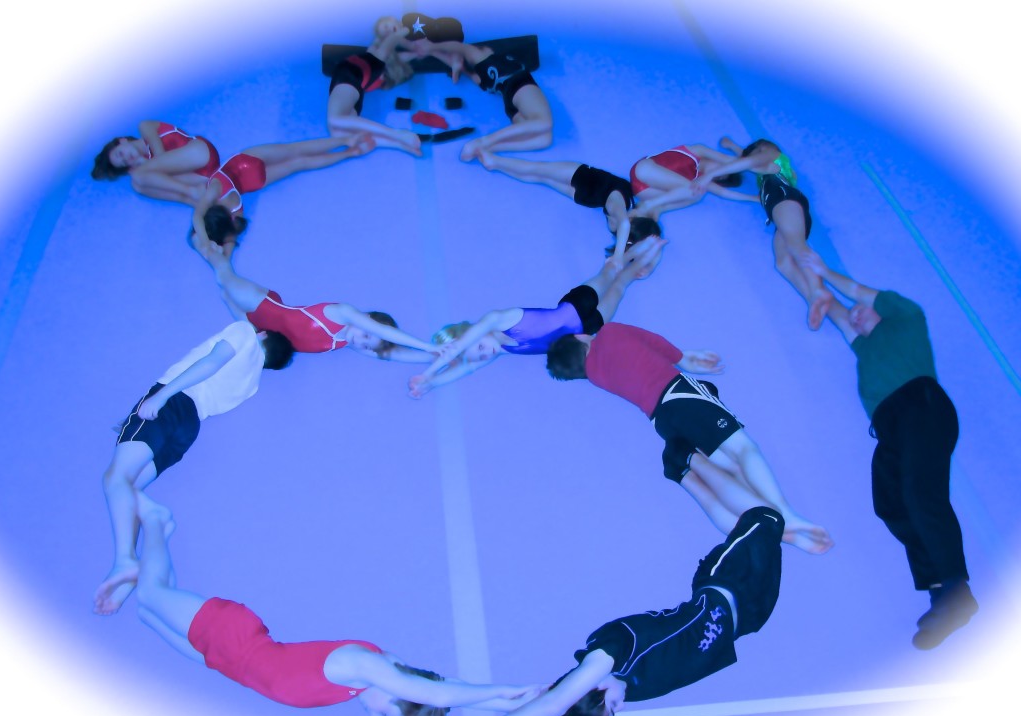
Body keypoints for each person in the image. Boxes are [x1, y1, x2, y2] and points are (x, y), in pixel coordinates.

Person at [105, 491, 541, 716]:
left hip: (226, 663)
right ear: (399, 692)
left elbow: (444, 689)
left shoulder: (365, 681)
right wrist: (504, 691)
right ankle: (157, 522)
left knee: (147, 611)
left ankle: (156, 550)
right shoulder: (363, 666)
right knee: (152, 594)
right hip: (234, 638)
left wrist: (511, 705)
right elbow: (435, 691)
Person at [432, 503, 785, 716]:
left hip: (726, 580)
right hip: (749, 617)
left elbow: (551, 705)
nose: (621, 705)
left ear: (591, 687)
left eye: (612, 705)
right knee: (781, 529)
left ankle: (689, 460)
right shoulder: (622, 687)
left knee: (769, 516)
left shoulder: (611, 652)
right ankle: (686, 467)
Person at [799, 251, 977, 648]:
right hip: (890, 427)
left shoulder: (907, 319)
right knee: (891, 504)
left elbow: (860, 293)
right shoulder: (865, 349)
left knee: (921, 492)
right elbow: (835, 311)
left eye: (862, 310)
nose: (855, 314)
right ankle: (940, 590)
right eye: (854, 315)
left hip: (921, 405)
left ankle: (956, 586)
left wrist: (824, 271)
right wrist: (807, 277)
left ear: (881, 311)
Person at [545, 322, 833, 555]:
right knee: (745, 449)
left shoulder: (596, 377)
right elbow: (653, 341)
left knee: (731, 469)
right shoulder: (608, 333)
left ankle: (782, 531)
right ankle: (786, 515)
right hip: (681, 395)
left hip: (663, 420)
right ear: (579, 337)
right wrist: (684, 359)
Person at [93, 320, 295, 616]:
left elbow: (212, 362)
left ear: (262, 333)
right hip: (188, 427)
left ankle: (125, 559)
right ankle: (129, 572)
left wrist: (161, 396)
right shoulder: (251, 384)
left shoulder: (244, 332)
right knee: (128, 490)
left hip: (173, 401)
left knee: (116, 479)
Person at [408, 237, 665, 398]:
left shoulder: (497, 320)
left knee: (610, 271)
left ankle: (628, 252)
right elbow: (466, 367)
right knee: (620, 286)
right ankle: (638, 264)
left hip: (577, 303)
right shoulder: (502, 350)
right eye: (483, 356)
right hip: (586, 329)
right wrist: (433, 383)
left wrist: (428, 372)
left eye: (480, 348)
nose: (487, 354)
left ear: (471, 333)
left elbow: (459, 349)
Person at [192, 236, 438, 362]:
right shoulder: (342, 313)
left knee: (225, 295)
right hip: (260, 302)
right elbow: (385, 333)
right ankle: (204, 242)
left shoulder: (347, 342)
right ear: (367, 319)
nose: (360, 342)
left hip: (258, 327)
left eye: (366, 345)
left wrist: (433, 357)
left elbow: (390, 355)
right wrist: (430, 346)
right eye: (366, 334)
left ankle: (222, 248)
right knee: (223, 276)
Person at [692, 137, 834, 331]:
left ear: (762, 148)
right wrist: (734, 147)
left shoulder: (774, 156)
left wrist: (710, 174)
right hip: (781, 208)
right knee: (782, 263)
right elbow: (747, 162)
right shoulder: (767, 168)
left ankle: (817, 290)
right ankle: (812, 298)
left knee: (796, 246)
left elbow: (748, 162)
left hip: (785, 201)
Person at [191, 133, 377, 247]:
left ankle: (349, 153)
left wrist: (209, 248)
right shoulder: (214, 190)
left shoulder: (236, 215)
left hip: (253, 182)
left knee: (300, 163)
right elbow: (197, 216)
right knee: (296, 149)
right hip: (247, 161)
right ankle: (347, 140)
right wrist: (205, 242)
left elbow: (228, 242)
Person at [472, 149, 662, 261]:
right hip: (587, 198)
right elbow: (638, 226)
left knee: (538, 170)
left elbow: (626, 223)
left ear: (635, 219)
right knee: (539, 177)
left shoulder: (621, 209)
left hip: (582, 177)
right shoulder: (625, 221)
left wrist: (618, 258)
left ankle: (495, 161)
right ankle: (495, 164)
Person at [410, 40, 552, 159]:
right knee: (543, 123)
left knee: (545, 139)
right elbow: (458, 47)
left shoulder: (479, 77)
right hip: (519, 85)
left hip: (510, 101)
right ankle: (482, 142)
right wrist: (432, 47)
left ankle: (486, 149)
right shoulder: (483, 56)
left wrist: (433, 51)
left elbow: (458, 56)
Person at [326, 19, 424, 155]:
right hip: (356, 80)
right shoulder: (378, 52)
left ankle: (398, 135)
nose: (388, 29)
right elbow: (395, 49)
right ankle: (399, 143)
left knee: (335, 120)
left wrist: (404, 32)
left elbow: (395, 48)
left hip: (351, 74)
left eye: (391, 26)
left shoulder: (378, 54)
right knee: (339, 134)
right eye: (385, 26)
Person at [91, 120, 221, 204]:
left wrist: (143, 165)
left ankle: (191, 192)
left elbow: (161, 157)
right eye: (124, 162)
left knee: (139, 176)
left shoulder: (145, 127)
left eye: (120, 153)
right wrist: (144, 168)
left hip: (201, 153)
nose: (126, 158)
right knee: (137, 185)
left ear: (122, 140)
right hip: (203, 177)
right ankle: (193, 199)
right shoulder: (147, 167)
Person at [627, 141, 760, 218]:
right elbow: (732, 161)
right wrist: (732, 146)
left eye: (718, 177)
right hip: (644, 170)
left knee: (697, 194)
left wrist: (754, 198)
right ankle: (651, 205)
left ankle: (659, 208)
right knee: (693, 189)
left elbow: (724, 192)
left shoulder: (700, 180)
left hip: (643, 192)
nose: (715, 174)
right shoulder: (697, 151)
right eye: (721, 170)